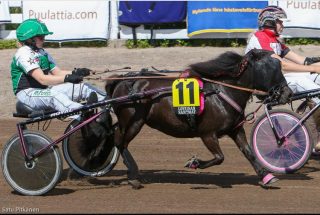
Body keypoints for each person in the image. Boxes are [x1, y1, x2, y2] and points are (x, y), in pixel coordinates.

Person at [245, 5, 320, 151]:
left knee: (317, 78)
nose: (283, 25)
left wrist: (316, 65)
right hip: (266, 86)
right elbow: (282, 66)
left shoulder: (275, 41)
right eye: (280, 21)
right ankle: (316, 139)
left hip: (277, 81)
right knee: (314, 89)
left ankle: (314, 134)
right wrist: (314, 68)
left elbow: (303, 61)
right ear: (270, 22)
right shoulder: (260, 38)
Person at [11, 19, 106, 119]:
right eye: (41, 36)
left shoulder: (42, 52)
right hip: (27, 94)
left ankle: (110, 102)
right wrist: (68, 78)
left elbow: (58, 73)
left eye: (44, 36)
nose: (44, 39)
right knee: (54, 95)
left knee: (83, 87)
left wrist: (77, 72)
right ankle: (85, 115)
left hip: (43, 91)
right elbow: (42, 79)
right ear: (29, 39)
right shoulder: (23, 53)